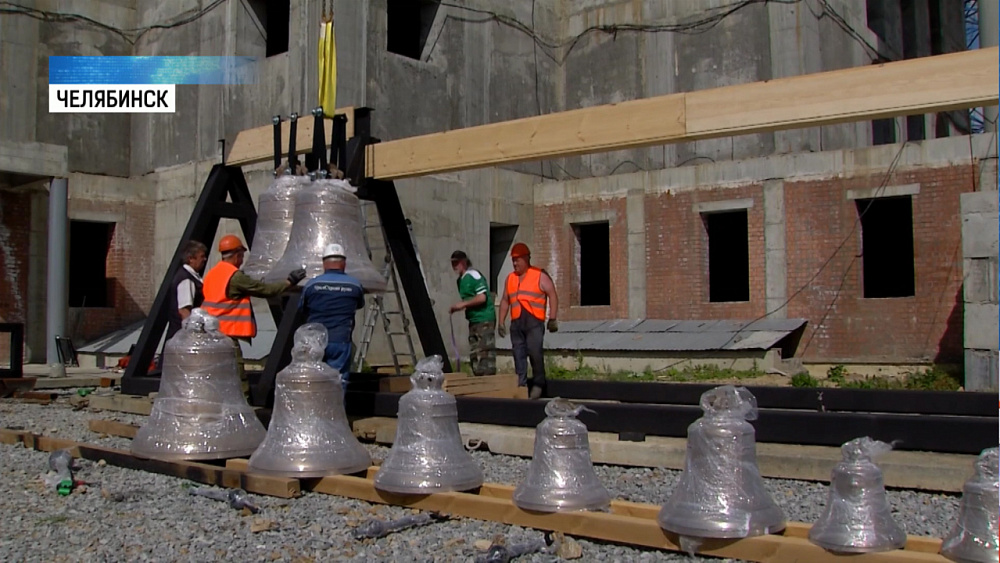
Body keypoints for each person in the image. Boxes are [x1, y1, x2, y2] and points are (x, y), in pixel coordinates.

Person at [201, 234, 306, 396]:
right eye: (241, 256)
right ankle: (244, 408)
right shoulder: (235, 277)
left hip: (209, 333)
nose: (242, 259)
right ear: (236, 255)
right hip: (225, 334)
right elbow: (264, 290)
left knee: (216, 373)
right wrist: (288, 282)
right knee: (236, 373)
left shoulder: (212, 274)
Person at [299, 243, 365, 394]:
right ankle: (335, 415)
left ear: (324, 263)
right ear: (344, 263)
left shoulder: (312, 285)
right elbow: (359, 304)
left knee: (314, 380)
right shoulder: (355, 285)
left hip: (315, 341)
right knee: (338, 381)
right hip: (340, 340)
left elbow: (302, 308)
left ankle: (314, 413)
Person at [497, 242, 559, 400]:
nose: (515, 263)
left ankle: (538, 383)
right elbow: (505, 300)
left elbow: (552, 294)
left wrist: (552, 318)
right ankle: (521, 385)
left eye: (518, 260)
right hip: (517, 323)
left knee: (534, 352)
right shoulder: (510, 279)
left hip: (534, 322)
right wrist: (501, 321)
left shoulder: (539, 275)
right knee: (518, 354)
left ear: (526, 259)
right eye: (513, 260)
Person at [155, 240, 208, 370]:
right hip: (181, 335)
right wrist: (192, 337)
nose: (205, 259)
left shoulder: (190, 277)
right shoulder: (186, 280)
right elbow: (184, 311)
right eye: (202, 256)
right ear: (191, 259)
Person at [448, 250, 496, 376]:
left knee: (485, 352)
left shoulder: (473, 275)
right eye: (453, 263)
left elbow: (482, 297)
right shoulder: (460, 281)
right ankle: (478, 377)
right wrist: (457, 307)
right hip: (473, 319)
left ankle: (488, 379)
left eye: (457, 263)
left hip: (484, 317)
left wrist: (462, 304)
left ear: (464, 262)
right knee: (474, 352)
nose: (455, 266)